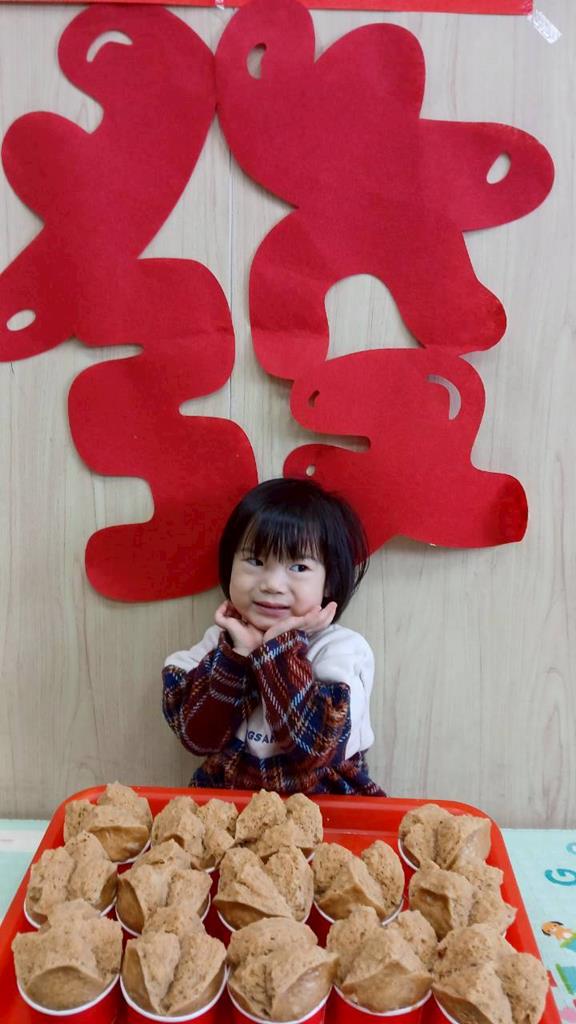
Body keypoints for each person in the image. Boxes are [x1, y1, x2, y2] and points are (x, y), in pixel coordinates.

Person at [162, 477, 384, 795]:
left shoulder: (340, 650)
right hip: (231, 807)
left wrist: (279, 648)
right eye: (255, 561)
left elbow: (314, 750)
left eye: (299, 567)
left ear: (330, 581)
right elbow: (197, 738)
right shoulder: (219, 643)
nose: (272, 585)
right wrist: (237, 657)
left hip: (326, 807)